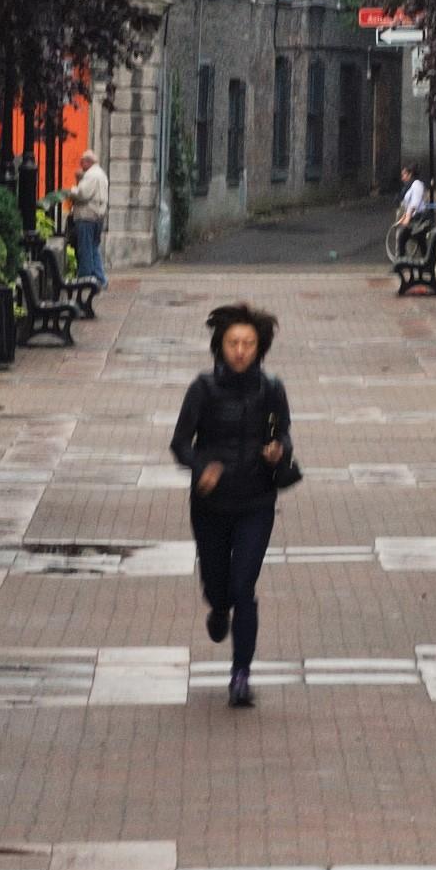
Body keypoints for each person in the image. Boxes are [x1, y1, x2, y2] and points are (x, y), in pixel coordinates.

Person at [169, 301, 295, 707]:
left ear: (260, 348)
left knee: (244, 587)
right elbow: (179, 444)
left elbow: (285, 436)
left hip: (256, 500)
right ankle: (217, 607)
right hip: (210, 504)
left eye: (248, 343)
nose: (240, 351)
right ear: (219, 346)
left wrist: (279, 450)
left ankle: (241, 674)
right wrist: (201, 466)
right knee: (218, 584)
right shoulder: (202, 389)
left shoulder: (272, 389)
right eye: (233, 343)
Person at [68, 148, 110, 288]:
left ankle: (85, 280)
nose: (80, 164)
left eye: (82, 161)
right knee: (93, 248)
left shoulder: (91, 175)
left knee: (85, 249)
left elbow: (83, 194)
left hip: (87, 216)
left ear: (88, 162)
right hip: (97, 216)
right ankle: (100, 279)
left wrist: (72, 190)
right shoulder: (101, 174)